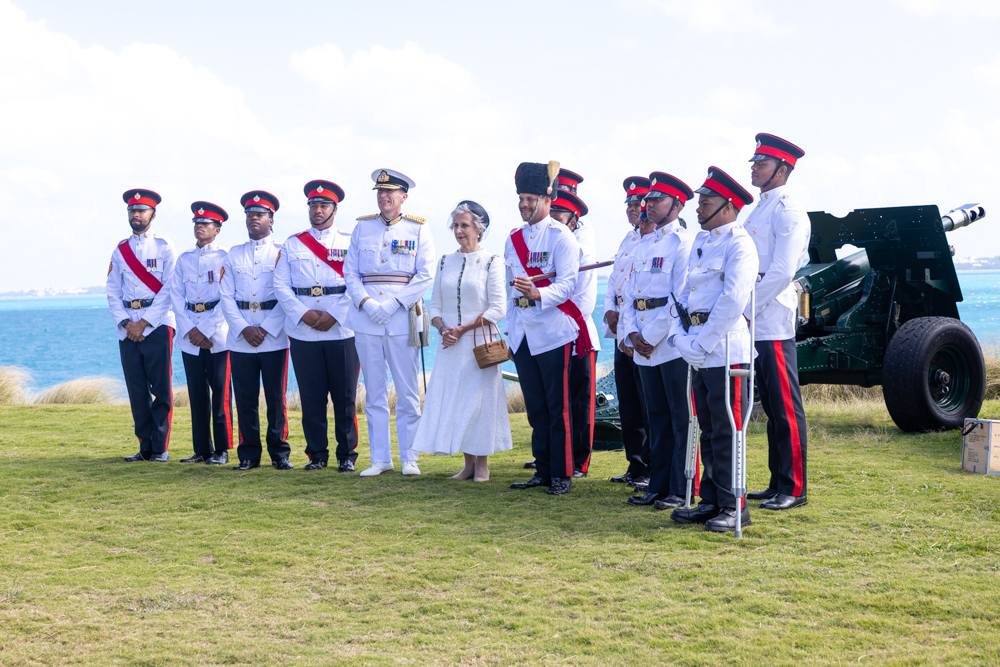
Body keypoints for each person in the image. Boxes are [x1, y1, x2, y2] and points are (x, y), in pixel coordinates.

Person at [669, 166, 758, 533]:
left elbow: (733, 300)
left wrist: (702, 342)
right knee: (707, 428)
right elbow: (684, 294)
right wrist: (680, 337)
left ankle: (735, 506)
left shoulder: (740, 243)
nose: (698, 208)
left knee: (728, 430)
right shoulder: (702, 243)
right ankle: (711, 501)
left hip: (725, 349)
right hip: (698, 346)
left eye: (706, 202)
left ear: (728, 206)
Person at [344, 169, 435, 477]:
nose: (384, 197)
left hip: (401, 318)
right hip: (367, 318)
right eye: (380, 192)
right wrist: (367, 303)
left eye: (390, 192)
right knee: (374, 393)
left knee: (407, 393)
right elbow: (350, 272)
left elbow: (425, 274)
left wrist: (395, 303)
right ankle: (380, 458)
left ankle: (410, 457)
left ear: (403, 196)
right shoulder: (362, 227)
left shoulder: (418, 229)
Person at [412, 200, 512, 479]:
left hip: (479, 344)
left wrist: (463, 329)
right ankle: (468, 464)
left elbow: (498, 308)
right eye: (455, 225)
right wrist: (443, 328)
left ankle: (482, 464)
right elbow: (435, 305)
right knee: (458, 403)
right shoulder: (445, 261)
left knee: (480, 404)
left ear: (479, 229)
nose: (458, 230)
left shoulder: (492, 262)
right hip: (450, 346)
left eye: (464, 225)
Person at [507, 161, 585, 496]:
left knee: (558, 408)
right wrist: (510, 332)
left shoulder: (561, 237)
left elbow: (568, 284)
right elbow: (509, 289)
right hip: (523, 331)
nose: (524, 205)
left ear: (546, 199)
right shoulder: (513, 238)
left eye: (530, 199)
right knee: (536, 407)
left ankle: (561, 472)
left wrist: (539, 293)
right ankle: (542, 468)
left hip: (552, 331)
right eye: (521, 199)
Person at [274, 180, 361, 473]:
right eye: (313, 206)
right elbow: (281, 285)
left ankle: (347, 454)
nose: (318, 211)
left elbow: (356, 282)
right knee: (311, 398)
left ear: (335, 209)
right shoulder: (293, 244)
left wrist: (334, 314)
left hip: (342, 330)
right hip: (304, 331)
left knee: (345, 397)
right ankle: (317, 455)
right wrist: (304, 314)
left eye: (324, 206)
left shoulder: (350, 242)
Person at [744, 133, 811, 511]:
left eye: (762, 163)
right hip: (755, 313)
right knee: (771, 406)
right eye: (754, 162)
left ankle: (794, 487)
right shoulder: (760, 209)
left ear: (782, 169)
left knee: (785, 406)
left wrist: (746, 307)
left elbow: (782, 271)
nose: (754, 168)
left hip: (771, 316)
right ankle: (777, 482)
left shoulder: (788, 210)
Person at [622, 172, 695, 510]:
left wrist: (649, 336)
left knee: (680, 418)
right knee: (656, 418)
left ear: (677, 205)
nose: (648, 205)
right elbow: (629, 294)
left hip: (668, 342)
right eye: (647, 199)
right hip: (642, 340)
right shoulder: (643, 244)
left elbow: (679, 298)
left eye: (657, 199)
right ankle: (658, 485)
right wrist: (630, 333)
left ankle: (680, 489)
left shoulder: (682, 243)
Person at [219, 190, 293, 471]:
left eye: (260, 214)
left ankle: (279, 452)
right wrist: (243, 328)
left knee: (276, 398)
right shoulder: (233, 254)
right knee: (245, 399)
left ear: (271, 219)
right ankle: (248, 453)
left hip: (273, 336)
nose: (254, 219)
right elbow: (226, 296)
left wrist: (265, 328)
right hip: (241, 338)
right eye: (250, 214)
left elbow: (286, 295)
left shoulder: (282, 253)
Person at [107, 188, 177, 462]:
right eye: (132, 210)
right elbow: (113, 290)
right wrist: (126, 322)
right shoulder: (120, 250)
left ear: (152, 214)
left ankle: (159, 447)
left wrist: (144, 323)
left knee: (161, 389)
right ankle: (144, 446)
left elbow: (170, 289)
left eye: (141, 210)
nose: (136, 214)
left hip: (157, 324)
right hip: (128, 327)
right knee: (136, 389)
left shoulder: (164, 247)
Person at [169, 201, 232, 465]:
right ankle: (202, 449)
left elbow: (227, 297)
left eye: (206, 224)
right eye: (197, 223)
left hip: (218, 335)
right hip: (190, 335)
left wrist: (205, 330)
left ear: (217, 229)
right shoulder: (184, 259)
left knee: (221, 395)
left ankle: (222, 449)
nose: (200, 227)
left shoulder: (225, 258)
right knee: (196, 395)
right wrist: (190, 329)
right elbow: (176, 296)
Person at [549, 185, 601, 477]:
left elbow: (583, 299)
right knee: (557, 401)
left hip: (577, 332)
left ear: (573, 218)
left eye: (559, 215)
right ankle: (557, 455)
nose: (554, 220)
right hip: (551, 334)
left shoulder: (582, 245)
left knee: (580, 402)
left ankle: (579, 460)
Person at [605, 176, 651, 485]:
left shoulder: (657, 239)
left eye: (638, 203)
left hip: (641, 328)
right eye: (629, 204)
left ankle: (650, 467)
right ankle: (635, 464)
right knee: (629, 402)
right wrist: (610, 308)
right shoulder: (627, 239)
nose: (632, 209)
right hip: (622, 326)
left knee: (647, 402)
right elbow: (614, 280)